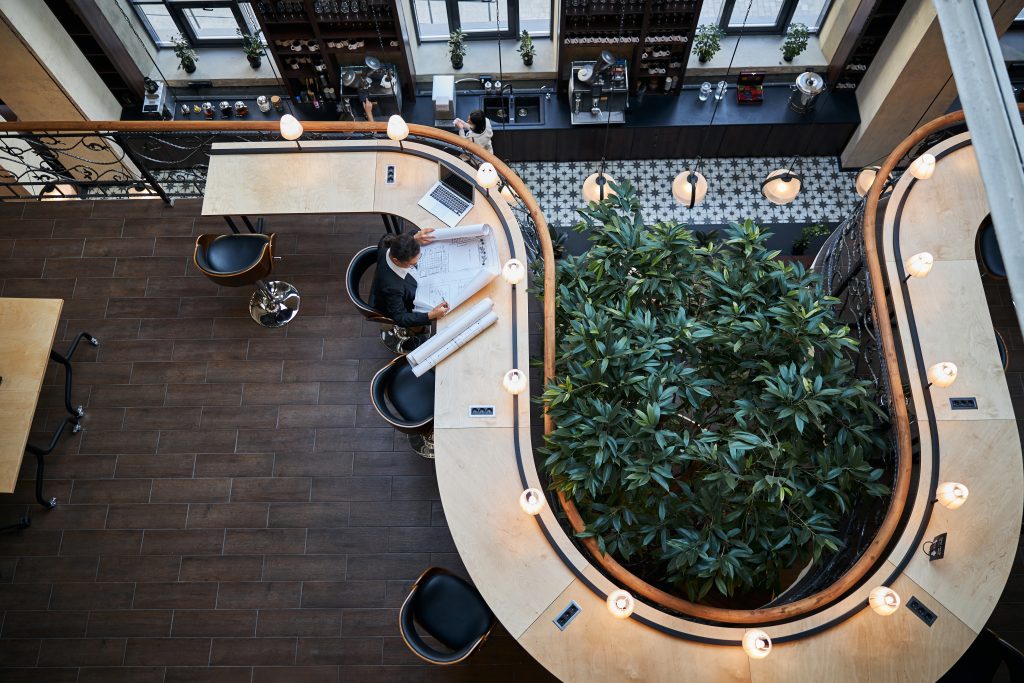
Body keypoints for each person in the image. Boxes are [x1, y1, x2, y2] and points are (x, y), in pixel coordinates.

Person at [368, 229, 448, 328]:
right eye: (412, 264)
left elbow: (386, 236)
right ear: (396, 261)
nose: (416, 264)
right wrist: (431, 315)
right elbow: (400, 318)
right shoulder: (393, 287)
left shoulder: (387, 243)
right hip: (401, 304)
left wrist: (413, 238)